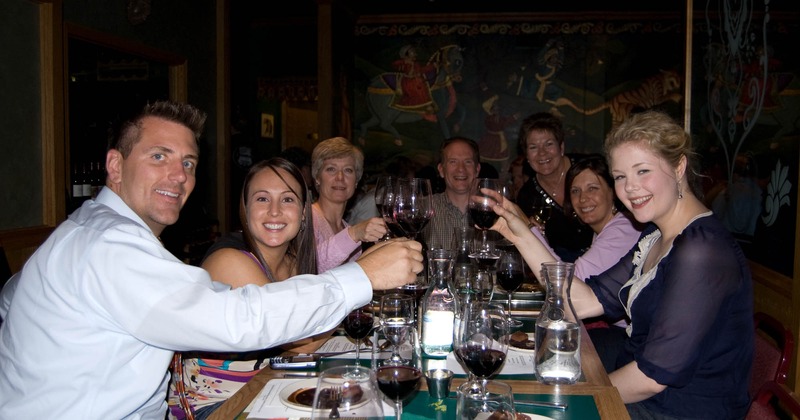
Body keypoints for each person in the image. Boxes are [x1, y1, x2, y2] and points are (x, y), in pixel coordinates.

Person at [0, 101, 423, 418]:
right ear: (115, 164)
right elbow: (240, 322)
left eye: (188, 162)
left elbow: (11, 294)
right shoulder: (108, 245)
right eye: (158, 156)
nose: (179, 174)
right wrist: (360, 276)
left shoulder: (92, 230)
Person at [490, 110, 753, 418]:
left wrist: (571, 397)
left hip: (679, 409)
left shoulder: (701, 251)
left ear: (679, 166)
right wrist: (519, 235)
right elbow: (585, 300)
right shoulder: (655, 235)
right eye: (620, 177)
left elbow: (653, 378)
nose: (630, 188)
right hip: (643, 387)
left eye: (642, 171)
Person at [167, 158, 324, 419]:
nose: (274, 211)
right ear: (246, 208)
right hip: (214, 407)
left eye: (287, 199)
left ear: (304, 212)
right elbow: (301, 342)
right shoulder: (230, 261)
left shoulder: (293, 261)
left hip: (263, 389)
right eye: (262, 199)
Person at [531, 154, 644, 371]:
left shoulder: (624, 228)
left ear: (613, 192)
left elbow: (570, 287)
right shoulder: (606, 229)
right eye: (575, 191)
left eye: (593, 188)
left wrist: (527, 232)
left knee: (552, 353)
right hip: (619, 332)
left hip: (631, 341)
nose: (583, 199)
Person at [515, 111, 593, 262]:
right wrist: (535, 235)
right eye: (533, 147)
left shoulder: (587, 169)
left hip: (609, 254)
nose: (542, 153)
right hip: (561, 268)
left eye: (549, 144)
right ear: (526, 156)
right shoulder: (527, 196)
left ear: (561, 147)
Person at [311, 137, 387, 272]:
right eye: (331, 169)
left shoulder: (346, 227)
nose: (340, 177)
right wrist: (354, 233)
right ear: (317, 177)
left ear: (356, 181)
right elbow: (309, 266)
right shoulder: (306, 219)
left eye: (348, 170)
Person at [421, 137, 481, 250]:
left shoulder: (496, 212)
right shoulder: (423, 208)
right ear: (441, 170)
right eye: (453, 161)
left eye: (468, 162)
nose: (461, 169)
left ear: (477, 170)